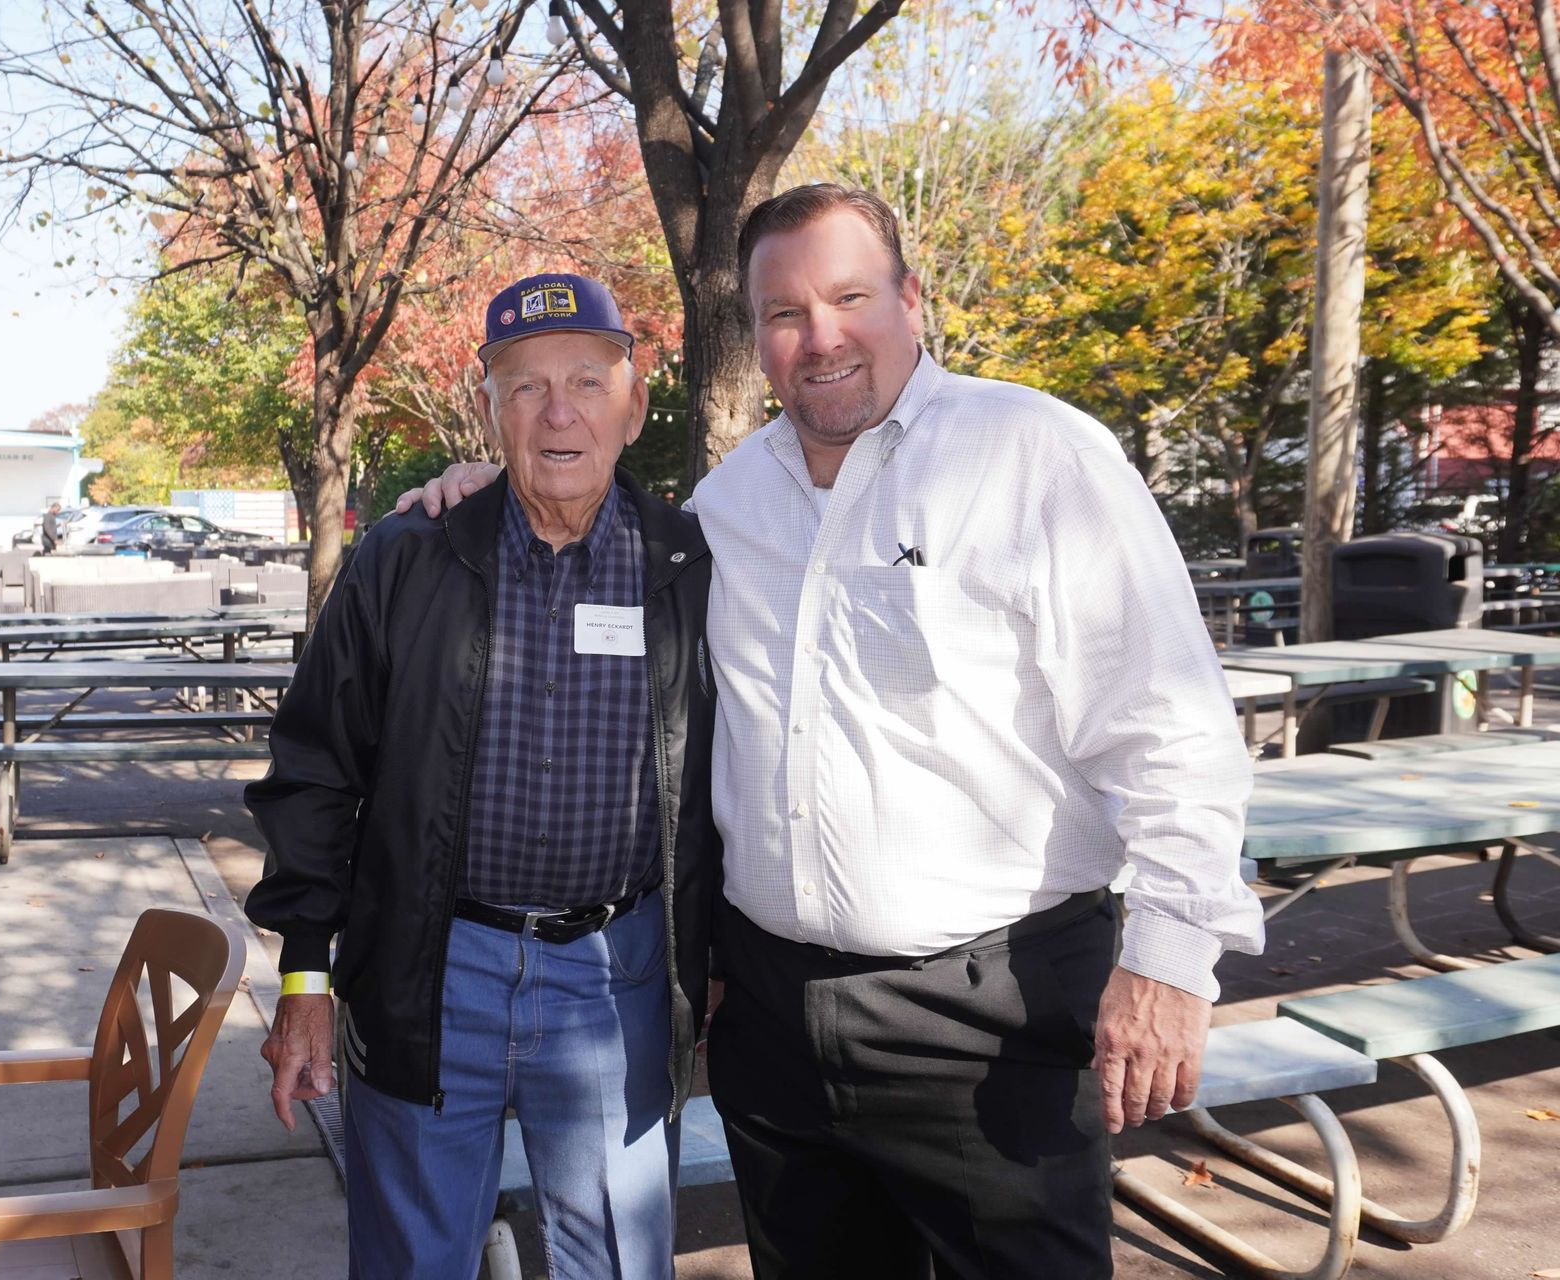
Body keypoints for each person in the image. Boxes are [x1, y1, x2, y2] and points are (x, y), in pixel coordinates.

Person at [402, 186, 1262, 1277]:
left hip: (990, 1013)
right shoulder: (727, 505)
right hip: (773, 1018)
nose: (821, 337)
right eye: (784, 313)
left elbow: (1171, 725)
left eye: (849, 297)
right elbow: (592, 563)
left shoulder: (1037, 456)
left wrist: (1173, 960)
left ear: (910, 298)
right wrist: (490, 490)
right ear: (754, 337)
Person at [245, 274, 718, 1279]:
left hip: (615, 973)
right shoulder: (408, 559)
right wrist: (305, 970)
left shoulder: (689, 565)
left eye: (588, 382)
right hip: (431, 964)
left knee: (620, 1264)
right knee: (415, 1261)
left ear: (633, 405)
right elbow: (314, 769)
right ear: (488, 412)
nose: (558, 412)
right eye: (525, 386)